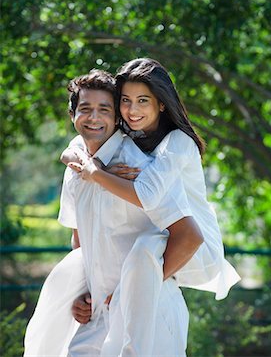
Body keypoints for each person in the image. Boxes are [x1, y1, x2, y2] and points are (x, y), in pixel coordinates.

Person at [24, 69, 204, 357]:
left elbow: (191, 237)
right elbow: (81, 244)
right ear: (72, 115)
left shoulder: (139, 169)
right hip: (97, 315)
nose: (94, 118)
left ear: (116, 118)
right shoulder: (75, 170)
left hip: (151, 312)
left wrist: (131, 292)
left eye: (104, 109)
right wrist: (83, 293)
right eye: (85, 109)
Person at [65, 59, 240, 341]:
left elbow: (146, 194)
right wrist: (93, 166)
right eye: (125, 100)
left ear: (161, 103)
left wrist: (96, 173)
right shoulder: (130, 139)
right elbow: (74, 148)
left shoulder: (178, 142)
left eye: (143, 100)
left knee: (145, 248)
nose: (132, 110)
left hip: (194, 243)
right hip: (165, 234)